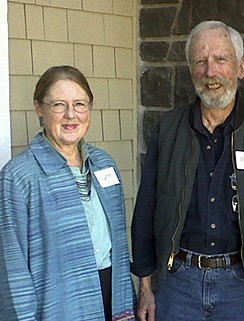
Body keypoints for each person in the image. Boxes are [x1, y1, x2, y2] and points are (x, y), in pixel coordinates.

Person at [131, 20, 244, 321]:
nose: (210, 72)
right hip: (178, 286)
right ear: (191, 70)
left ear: (240, 68)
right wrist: (145, 285)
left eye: (221, 60)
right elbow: (146, 207)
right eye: (201, 61)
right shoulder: (167, 130)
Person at [0, 66, 136, 321]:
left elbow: (116, 247)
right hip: (59, 305)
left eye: (80, 104)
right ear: (39, 108)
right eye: (59, 105)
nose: (71, 115)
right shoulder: (19, 177)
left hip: (112, 297)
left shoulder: (103, 164)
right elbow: (12, 269)